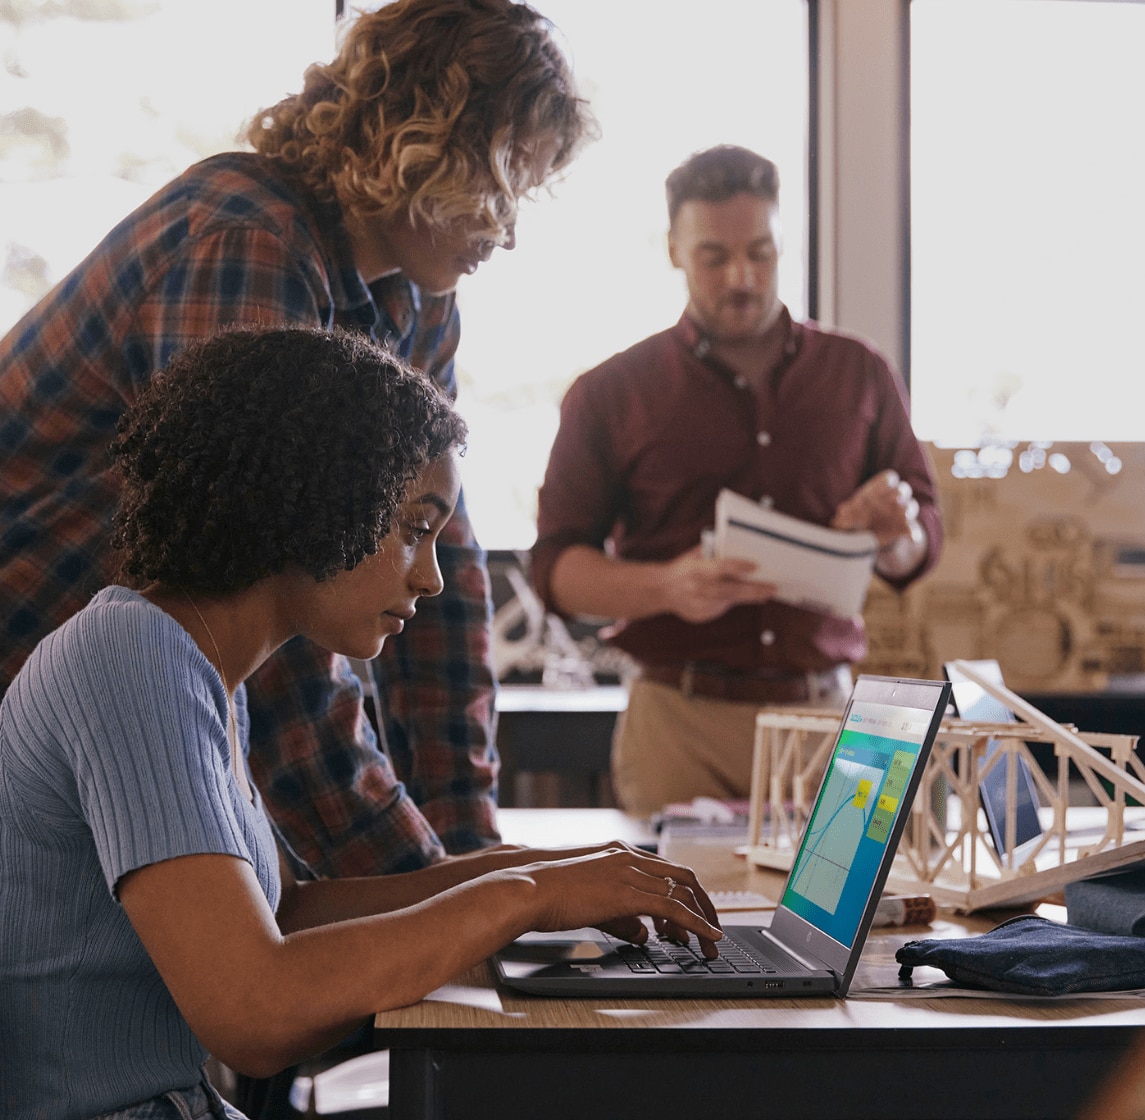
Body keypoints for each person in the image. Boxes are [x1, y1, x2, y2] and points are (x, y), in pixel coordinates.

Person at [0, 327, 721, 1120]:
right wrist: (525, 896)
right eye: (414, 526)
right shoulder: (131, 658)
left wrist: (552, 873)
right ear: (320, 499)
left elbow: (283, 918)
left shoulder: (198, 672)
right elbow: (255, 1008)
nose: (432, 574)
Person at [0, 0, 594, 880]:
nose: (506, 228)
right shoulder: (247, 242)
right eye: (503, 181)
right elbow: (261, 591)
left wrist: (472, 859)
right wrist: (424, 886)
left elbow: (446, 578)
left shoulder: (417, 305)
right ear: (420, 137)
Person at [530, 145, 943, 816]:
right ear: (673, 250)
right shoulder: (610, 393)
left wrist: (898, 536)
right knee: (674, 923)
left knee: (857, 923)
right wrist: (665, 586)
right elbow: (555, 570)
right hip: (677, 724)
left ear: (785, 244)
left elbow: (923, 535)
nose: (741, 278)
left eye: (761, 253)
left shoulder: (859, 372)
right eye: (714, 259)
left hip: (825, 718)